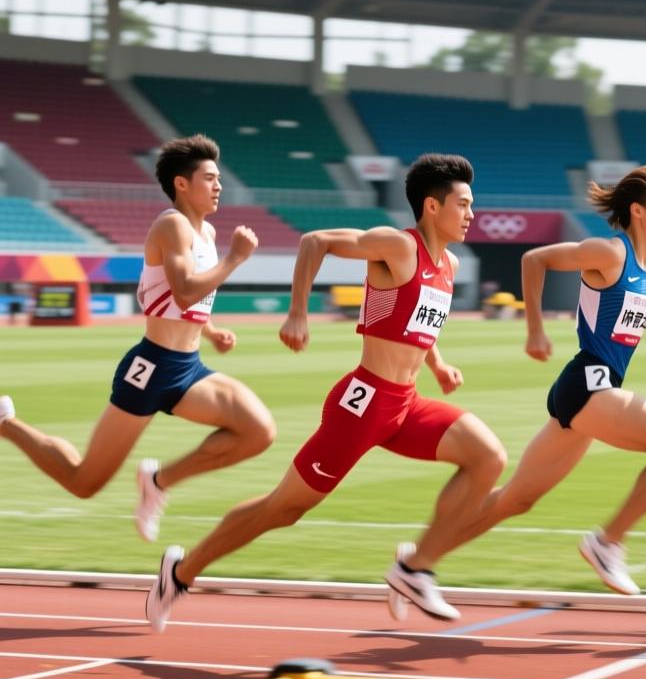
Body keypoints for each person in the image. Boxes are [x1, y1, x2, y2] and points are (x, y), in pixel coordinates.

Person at [144, 152, 506, 631]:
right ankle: (181, 572)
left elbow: (419, 318)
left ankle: (415, 567)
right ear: (432, 206)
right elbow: (315, 241)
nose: (472, 214)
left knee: (487, 457)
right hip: (364, 403)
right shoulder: (397, 245)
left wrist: (437, 364)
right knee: (283, 508)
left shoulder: (450, 264)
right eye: (463, 204)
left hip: (406, 403)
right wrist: (297, 313)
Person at [410, 165, 646, 596]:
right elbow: (534, 259)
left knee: (515, 499)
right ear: (637, 210)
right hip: (589, 383)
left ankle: (416, 562)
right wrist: (534, 330)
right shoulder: (608, 253)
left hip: (594, 393)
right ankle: (608, 542)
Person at [0, 134, 275, 544]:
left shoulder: (207, 233)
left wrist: (211, 330)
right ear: (182, 183)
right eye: (210, 178)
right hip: (151, 369)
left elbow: (170, 296)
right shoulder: (171, 225)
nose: (219, 186)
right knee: (83, 481)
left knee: (258, 431)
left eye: (219, 178)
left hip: (188, 369)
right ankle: (6, 424)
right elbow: (184, 290)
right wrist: (235, 258)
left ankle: (158, 481)